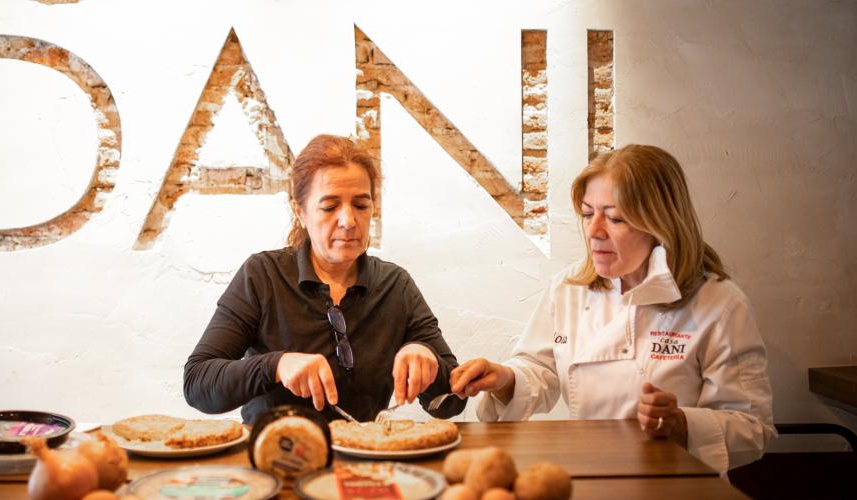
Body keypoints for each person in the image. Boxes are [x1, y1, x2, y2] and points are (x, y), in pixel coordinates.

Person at [450, 144, 774, 473]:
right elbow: (540, 369)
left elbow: (754, 429)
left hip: (678, 487)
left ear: (660, 224)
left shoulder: (719, 303)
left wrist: (681, 424)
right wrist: (504, 379)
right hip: (590, 474)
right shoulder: (568, 289)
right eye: (588, 214)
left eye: (615, 218)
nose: (594, 231)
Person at [184, 134, 466, 424]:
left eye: (361, 205)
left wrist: (427, 359)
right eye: (330, 207)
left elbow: (451, 404)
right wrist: (276, 365)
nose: (348, 221)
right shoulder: (262, 275)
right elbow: (197, 383)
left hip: (364, 450)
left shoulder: (395, 285)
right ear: (301, 212)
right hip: (276, 449)